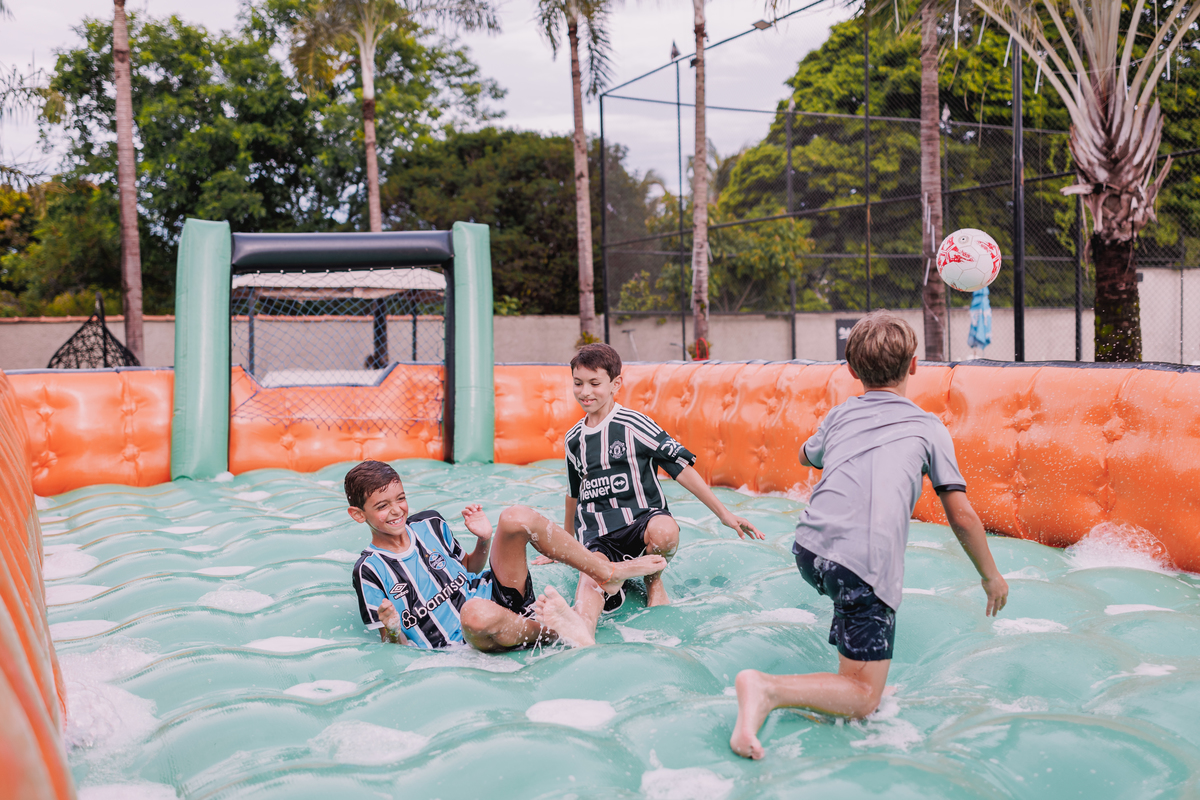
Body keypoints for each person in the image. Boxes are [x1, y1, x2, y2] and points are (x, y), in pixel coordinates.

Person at [729, 311, 1010, 759]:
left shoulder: (841, 414)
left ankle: (851, 674)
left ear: (852, 370)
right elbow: (961, 515)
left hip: (810, 549)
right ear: (914, 366)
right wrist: (990, 575)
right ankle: (766, 689)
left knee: (852, 601)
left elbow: (808, 454)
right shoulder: (928, 427)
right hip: (861, 562)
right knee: (865, 701)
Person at [533, 343, 766, 642]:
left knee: (666, 531)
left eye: (594, 383)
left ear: (616, 384)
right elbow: (574, 494)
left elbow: (680, 468)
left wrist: (724, 514)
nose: (585, 392)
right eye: (578, 383)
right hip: (598, 535)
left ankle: (652, 580)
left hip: (642, 523)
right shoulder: (574, 438)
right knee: (589, 585)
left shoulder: (634, 424)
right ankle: (582, 630)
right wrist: (564, 546)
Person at [347, 460, 667, 650]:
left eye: (400, 498)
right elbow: (395, 648)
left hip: (498, 593)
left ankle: (605, 571)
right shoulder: (370, 571)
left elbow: (467, 569)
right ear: (358, 515)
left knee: (514, 516)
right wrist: (390, 628)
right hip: (467, 639)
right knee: (473, 612)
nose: (396, 510)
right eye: (382, 506)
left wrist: (484, 539)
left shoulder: (429, 523)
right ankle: (557, 631)